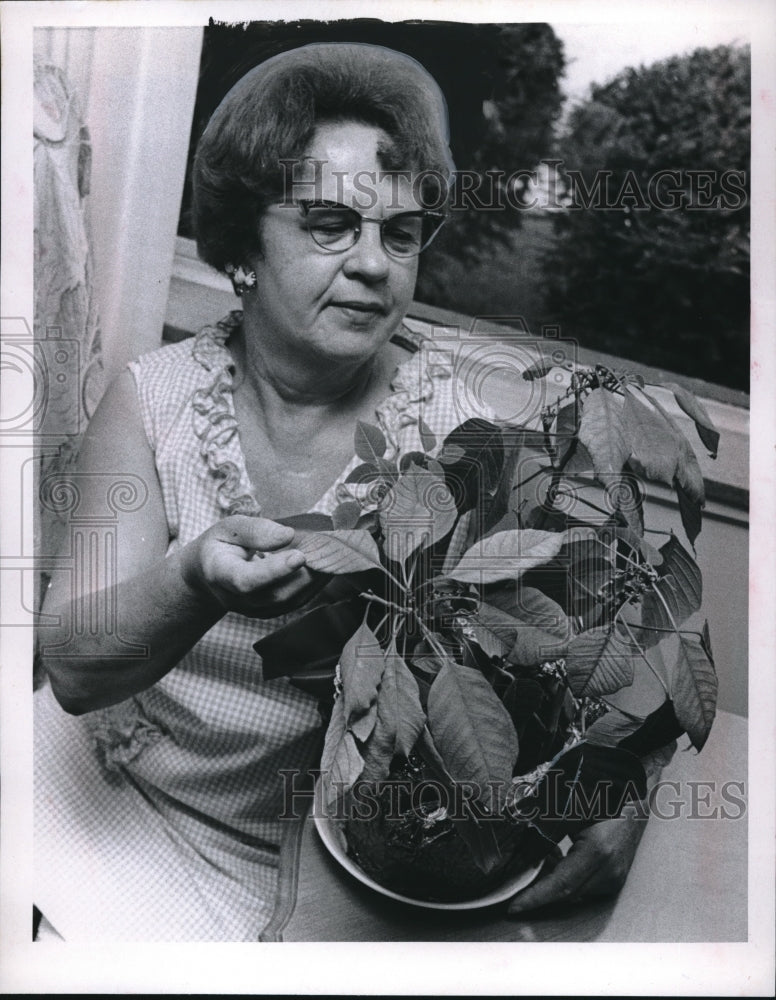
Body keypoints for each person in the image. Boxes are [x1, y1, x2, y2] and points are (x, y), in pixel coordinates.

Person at [34, 41, 650, 942]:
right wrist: (193, 580)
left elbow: (602, 651)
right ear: (244, 245)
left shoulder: (472, 425)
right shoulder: (154, 396)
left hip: (319, 864)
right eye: (330, 223)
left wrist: (629, 781)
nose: (374, 264)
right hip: (106, 787)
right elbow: (77, 668)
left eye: (399, 236)